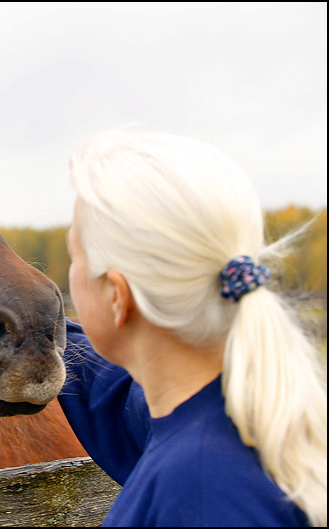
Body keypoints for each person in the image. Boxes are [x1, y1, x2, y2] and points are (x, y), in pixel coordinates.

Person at [58, 129, 327, 527]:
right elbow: (112, 394)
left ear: (118, 296)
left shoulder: (199, 490)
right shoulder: (241, 415)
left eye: (74, 254)